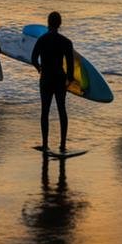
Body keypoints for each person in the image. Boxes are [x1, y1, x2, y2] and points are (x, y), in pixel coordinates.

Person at [31, 11, 76, 153]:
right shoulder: (66, 42)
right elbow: (70, 66)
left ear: (48, 23)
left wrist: (39, 68)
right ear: (60, 24)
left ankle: (45, 144)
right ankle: (62, 145)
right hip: (59, 78)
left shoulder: (42, 39)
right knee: (62, 110)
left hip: (46, 78)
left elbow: (33, 58)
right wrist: (69, 80)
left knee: (45, 111)